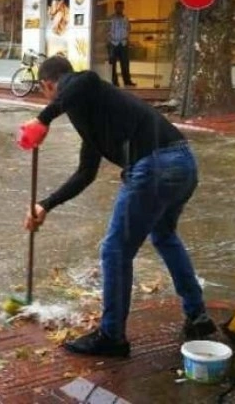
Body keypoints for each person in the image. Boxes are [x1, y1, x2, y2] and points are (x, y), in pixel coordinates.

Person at [21, 56, 216, 357]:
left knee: (114, 250)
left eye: (46, 92)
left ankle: (112, 336)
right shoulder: (91, 113)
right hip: (183, 163)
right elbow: (86, 173)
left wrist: (42, 118)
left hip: (154, 166)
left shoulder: (81, 84)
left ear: (49, 85)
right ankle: (198, 316)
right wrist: (46, 205)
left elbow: (82, 81)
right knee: (163, 236)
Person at [108, 0, 136, 87]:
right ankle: (114, 81)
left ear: (123, 8)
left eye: (121, 7)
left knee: (125, 64)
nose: (120, 9)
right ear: (115, 8)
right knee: (112, 65)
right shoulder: (110, 19)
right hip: (113, 43)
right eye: (118, 7)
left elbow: (128, 29)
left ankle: (127, 81)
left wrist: (127, 39)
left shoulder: (126, 18)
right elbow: (106, 30)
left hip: (123, 43)